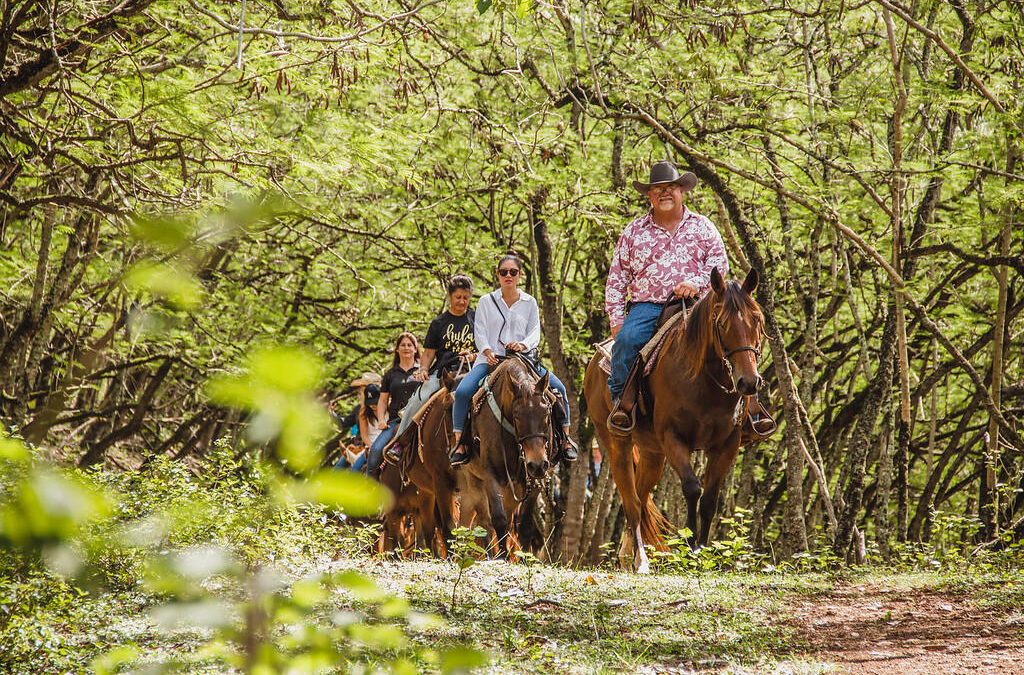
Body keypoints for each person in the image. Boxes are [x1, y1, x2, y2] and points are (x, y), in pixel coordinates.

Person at [605, 160, 730, 432]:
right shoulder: (633, 232)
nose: (664, 193)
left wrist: (696, 283)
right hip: (648, 306)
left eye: (670, 187)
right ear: (650, 195)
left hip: (698, 304)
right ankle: (622, 403)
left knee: (737, 337)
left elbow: (719, 264)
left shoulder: (703, 226)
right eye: (658, 189)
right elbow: (617, 278)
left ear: (682, 191)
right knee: (626, 342)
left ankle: (749, 409)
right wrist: (616, 319)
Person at [449, 254, 578, 466]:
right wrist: (487, 350)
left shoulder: (530, 302)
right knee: (463, 392)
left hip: (523, 360)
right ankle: (460, 444)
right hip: (491, 361)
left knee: (559, 390)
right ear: (498, 275)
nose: (508, 275)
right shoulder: (486, 301)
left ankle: (565, 440)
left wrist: (523, 345)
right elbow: (479, 331)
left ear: (519, 275)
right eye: (503, 272)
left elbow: (535, 332)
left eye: (513, 272)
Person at [384, 274, 476, 464]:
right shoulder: (439, 323)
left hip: (471, 370)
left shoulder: (476, 319)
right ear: (449, 296)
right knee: (421, 397)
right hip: (443, 372)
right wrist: (423, 369)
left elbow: (484, 346)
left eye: (466, 298)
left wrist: (474, 355)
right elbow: (428, 354)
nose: (462, 301)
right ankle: (400, 442)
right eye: (458, 297)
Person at [364, 333, 421, 477]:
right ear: (397, 349)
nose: (406, 348)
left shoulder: (422, 370)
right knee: (375, 450)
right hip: (395, 421)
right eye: (403, 345)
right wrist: (381, 420)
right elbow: (383, 400)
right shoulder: (390, 374)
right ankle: (371, 483)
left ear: (415, 349)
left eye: (409, 345)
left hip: (418, 419)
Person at [332, 374, 381, 471]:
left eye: (364, 387)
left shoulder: (383, 406)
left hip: (374, 446)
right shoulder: (359, 409)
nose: (361, 390)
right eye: (362, 387)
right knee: (337, 470)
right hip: (358, 446)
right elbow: (344, 423)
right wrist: (332, 413)